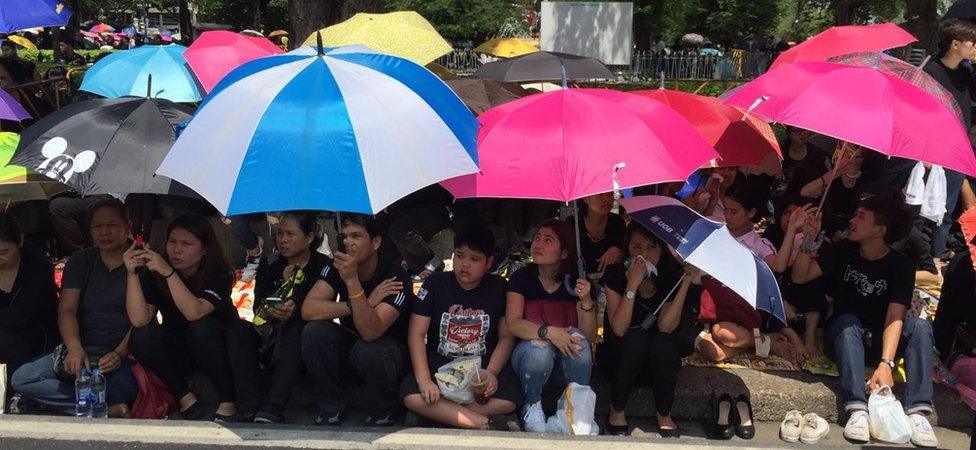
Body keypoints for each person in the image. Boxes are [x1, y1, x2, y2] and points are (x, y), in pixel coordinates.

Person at [791, 191, 939, 448]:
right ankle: (857, 408)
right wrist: (807, 240)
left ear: (879, 230)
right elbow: (800, 277)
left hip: (883, 341)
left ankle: (917, 412)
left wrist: (886, 363)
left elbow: (896, 315)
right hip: (845, 338)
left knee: (921, 327)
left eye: (861, 216)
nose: (852, 220)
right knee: (848, 322)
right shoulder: (843, 251)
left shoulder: (901, 265)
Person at [125, 213, 261, 422]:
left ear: (205, 248)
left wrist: (169, 273)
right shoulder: (155, 275)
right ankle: (184, 397)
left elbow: (194, 312)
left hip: (217, 348)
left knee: (201, 326)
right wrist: (132, 274)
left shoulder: (219, 273)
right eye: (172, 242)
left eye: (187, 244)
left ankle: (228, 399)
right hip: (181, 347)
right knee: (141, 336)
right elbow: (139, 320)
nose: (177, 250)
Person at [11, 198, 138, 417]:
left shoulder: (141, 263)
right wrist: (75, 347)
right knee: (23, 378)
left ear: (128, 228)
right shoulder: (81, 261)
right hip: (82, 347)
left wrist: (119, 353)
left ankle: (83, 403)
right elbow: (67, 309)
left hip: (119, 354)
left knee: (124, 389)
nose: (105, 232)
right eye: (98, 226)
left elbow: (143, 320)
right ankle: (99, 408)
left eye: (112, 225)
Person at [300, 213, 415, 426]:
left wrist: (352, 282)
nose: (348, 243)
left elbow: (371, 331)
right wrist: (362, 304)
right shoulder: (337, 267)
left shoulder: (395, 276)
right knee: (315, 331)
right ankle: (331, 403)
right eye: (344, 237)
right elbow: (309, 310)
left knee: (369, 347)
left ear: (376, 242)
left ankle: (384, 407)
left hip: (389, 355)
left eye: (356, 236)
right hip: (353, 346)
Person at [401, 224, 519, 429]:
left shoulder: (499, 287)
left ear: (489, 262)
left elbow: (506, 337)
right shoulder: (435, 283)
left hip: (480, 366)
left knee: (509, 401)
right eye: (459, 256)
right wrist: (425, 381)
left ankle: (440, 413)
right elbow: (416, 334)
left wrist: (490, 372)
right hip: (440, 362)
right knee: (412, 396)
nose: (465, 264)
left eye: (474, 259)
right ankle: (485, 423)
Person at [598, 223, 698, 437]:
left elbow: (666, 326)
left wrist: (685, 284)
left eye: (652, 248)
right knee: (636, 338)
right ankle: (617, 410)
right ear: (628, 249)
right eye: (636, 247)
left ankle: (663, 412)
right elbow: (619, 328)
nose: (644, 255)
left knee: (663, 343)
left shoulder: (670, 277)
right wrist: (632, 285)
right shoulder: (616, 275)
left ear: (661, 251)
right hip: (620, 357)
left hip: (656, 363)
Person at [695, 179, 808, 363]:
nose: (728, 216)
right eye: (726, 210)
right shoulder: (717, 231)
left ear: (751, 212)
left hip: (740, 311)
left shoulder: (758, 244)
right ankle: (766, 341)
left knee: (722, 333)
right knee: (712, 352)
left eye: (734, 212)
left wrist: (792, 229)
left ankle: (760, 339)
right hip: (711, 306)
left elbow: (779, 265)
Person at [505, 219, 597, 432]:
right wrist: (549, 333)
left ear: (564, 252)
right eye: (537, 238)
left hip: (566, 360)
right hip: (530, 359)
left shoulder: (577, 281)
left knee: (579, 341)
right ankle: (532, 405)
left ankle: (578, 409)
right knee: (541, 347)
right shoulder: (521, 277)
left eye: (548, 240)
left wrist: (586, 301)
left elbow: (589, 335)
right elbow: (513, 324)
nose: (538, 244)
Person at [252, 212, 330, 424]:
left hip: (306, 341)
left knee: (296, 327)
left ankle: (273, 406)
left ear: (310, 237)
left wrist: (293, 290)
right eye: (279, 233)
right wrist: (270, 309)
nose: (283, 240)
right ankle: (245, 403)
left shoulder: (323, 266)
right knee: (238, 331)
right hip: (269, 335)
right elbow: (258, 305)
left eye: (290, 234)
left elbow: (318, 306)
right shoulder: (270, 262)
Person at [922, 19, 976, 261]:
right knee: (926, 202)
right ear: (956, 44)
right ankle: (923, 252)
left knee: (948, 203)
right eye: (972, 43)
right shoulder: (931, 71)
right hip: (933, 147)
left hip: (957, 146)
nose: (975, 48)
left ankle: (939, 251)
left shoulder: (966, 72)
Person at [0, 215, 58, 377]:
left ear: (20, 241)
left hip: (35, 343)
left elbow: (39, 314)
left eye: (3, 252)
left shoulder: (38, 269)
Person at [575, 192, 626, 277]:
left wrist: (619, 252)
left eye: (610, 194)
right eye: (600, 194)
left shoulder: (617, 223)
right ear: (585, 198)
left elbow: (627, 253)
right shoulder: (573, 225)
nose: (606, 199)